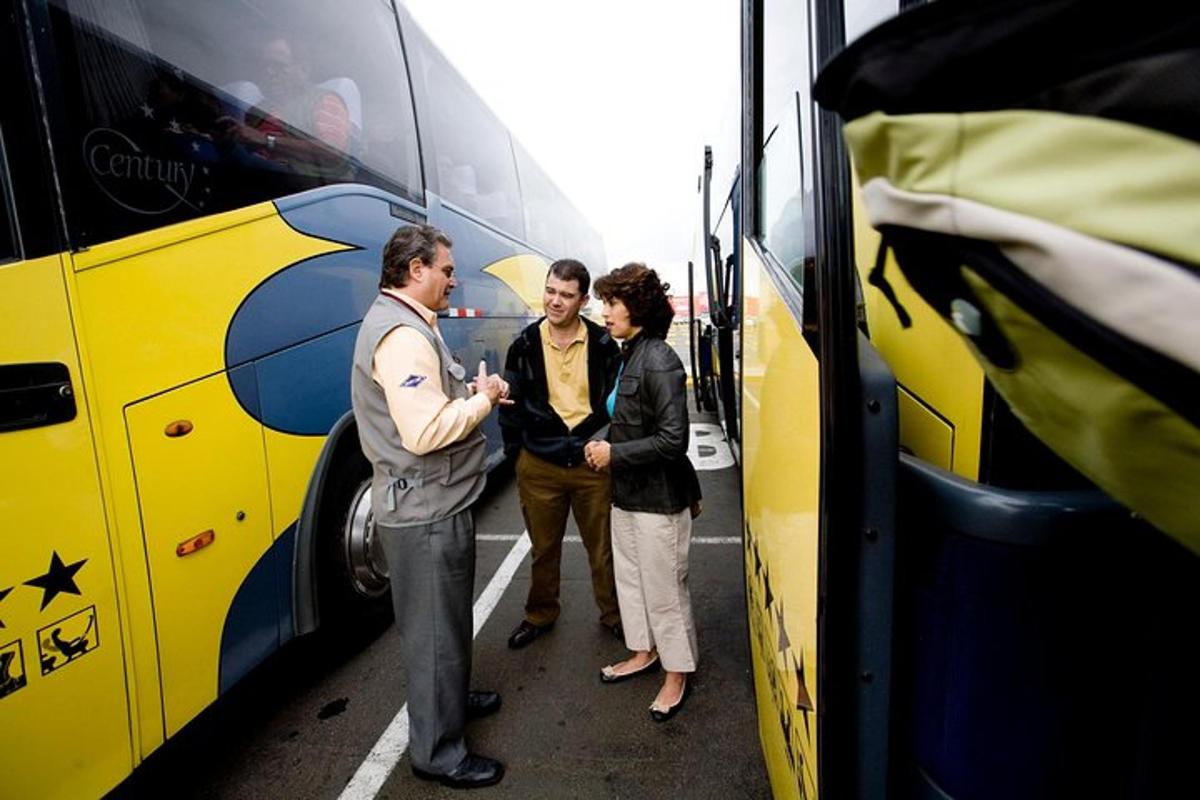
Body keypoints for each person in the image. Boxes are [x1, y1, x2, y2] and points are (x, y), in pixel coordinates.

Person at [350, 223, 511, 789]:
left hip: (430, 503)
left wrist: (467, 395)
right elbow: (423, 433)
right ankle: (439, 753)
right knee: (435, 633)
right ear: (415, 270)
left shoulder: (409, 324)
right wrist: (484, 402)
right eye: (445, 269)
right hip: (425, 513)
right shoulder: (403, 335)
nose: (453, 278)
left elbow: (423, 407)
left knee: (444, 624)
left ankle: (452, 703)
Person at [584, 263, 702, 722]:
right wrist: (597, 442)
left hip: (659, 501)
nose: (605, 311)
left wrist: (614, 454)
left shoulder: (659, 360)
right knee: (631, 581)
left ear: (638, 307)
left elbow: (674, 440)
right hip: (627, 495)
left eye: (612, 302)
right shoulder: (629, 352)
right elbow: (625, 418)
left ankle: (677, 672)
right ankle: (643, 651)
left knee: (665, 590)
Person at [499, 259, 623, 649]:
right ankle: (540, 614)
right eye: (550, 291)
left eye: (566, 295)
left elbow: (618, 404)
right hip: (540, 465)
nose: (555, 301)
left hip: (591, 463)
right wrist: (516, 456)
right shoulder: (522, 345)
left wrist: (608, 448)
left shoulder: (604, 344)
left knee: (603, 551)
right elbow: (511, 406)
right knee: (543, 550)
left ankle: (615, 616)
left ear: (583, 300)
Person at [217, 34, 354, 175]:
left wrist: (267, 140)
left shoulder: (324, 100)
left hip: (302, 189)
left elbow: (332, 151)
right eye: (266, 66)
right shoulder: (260, 108)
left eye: (278, 66)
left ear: (304, 69)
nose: (269, 72)